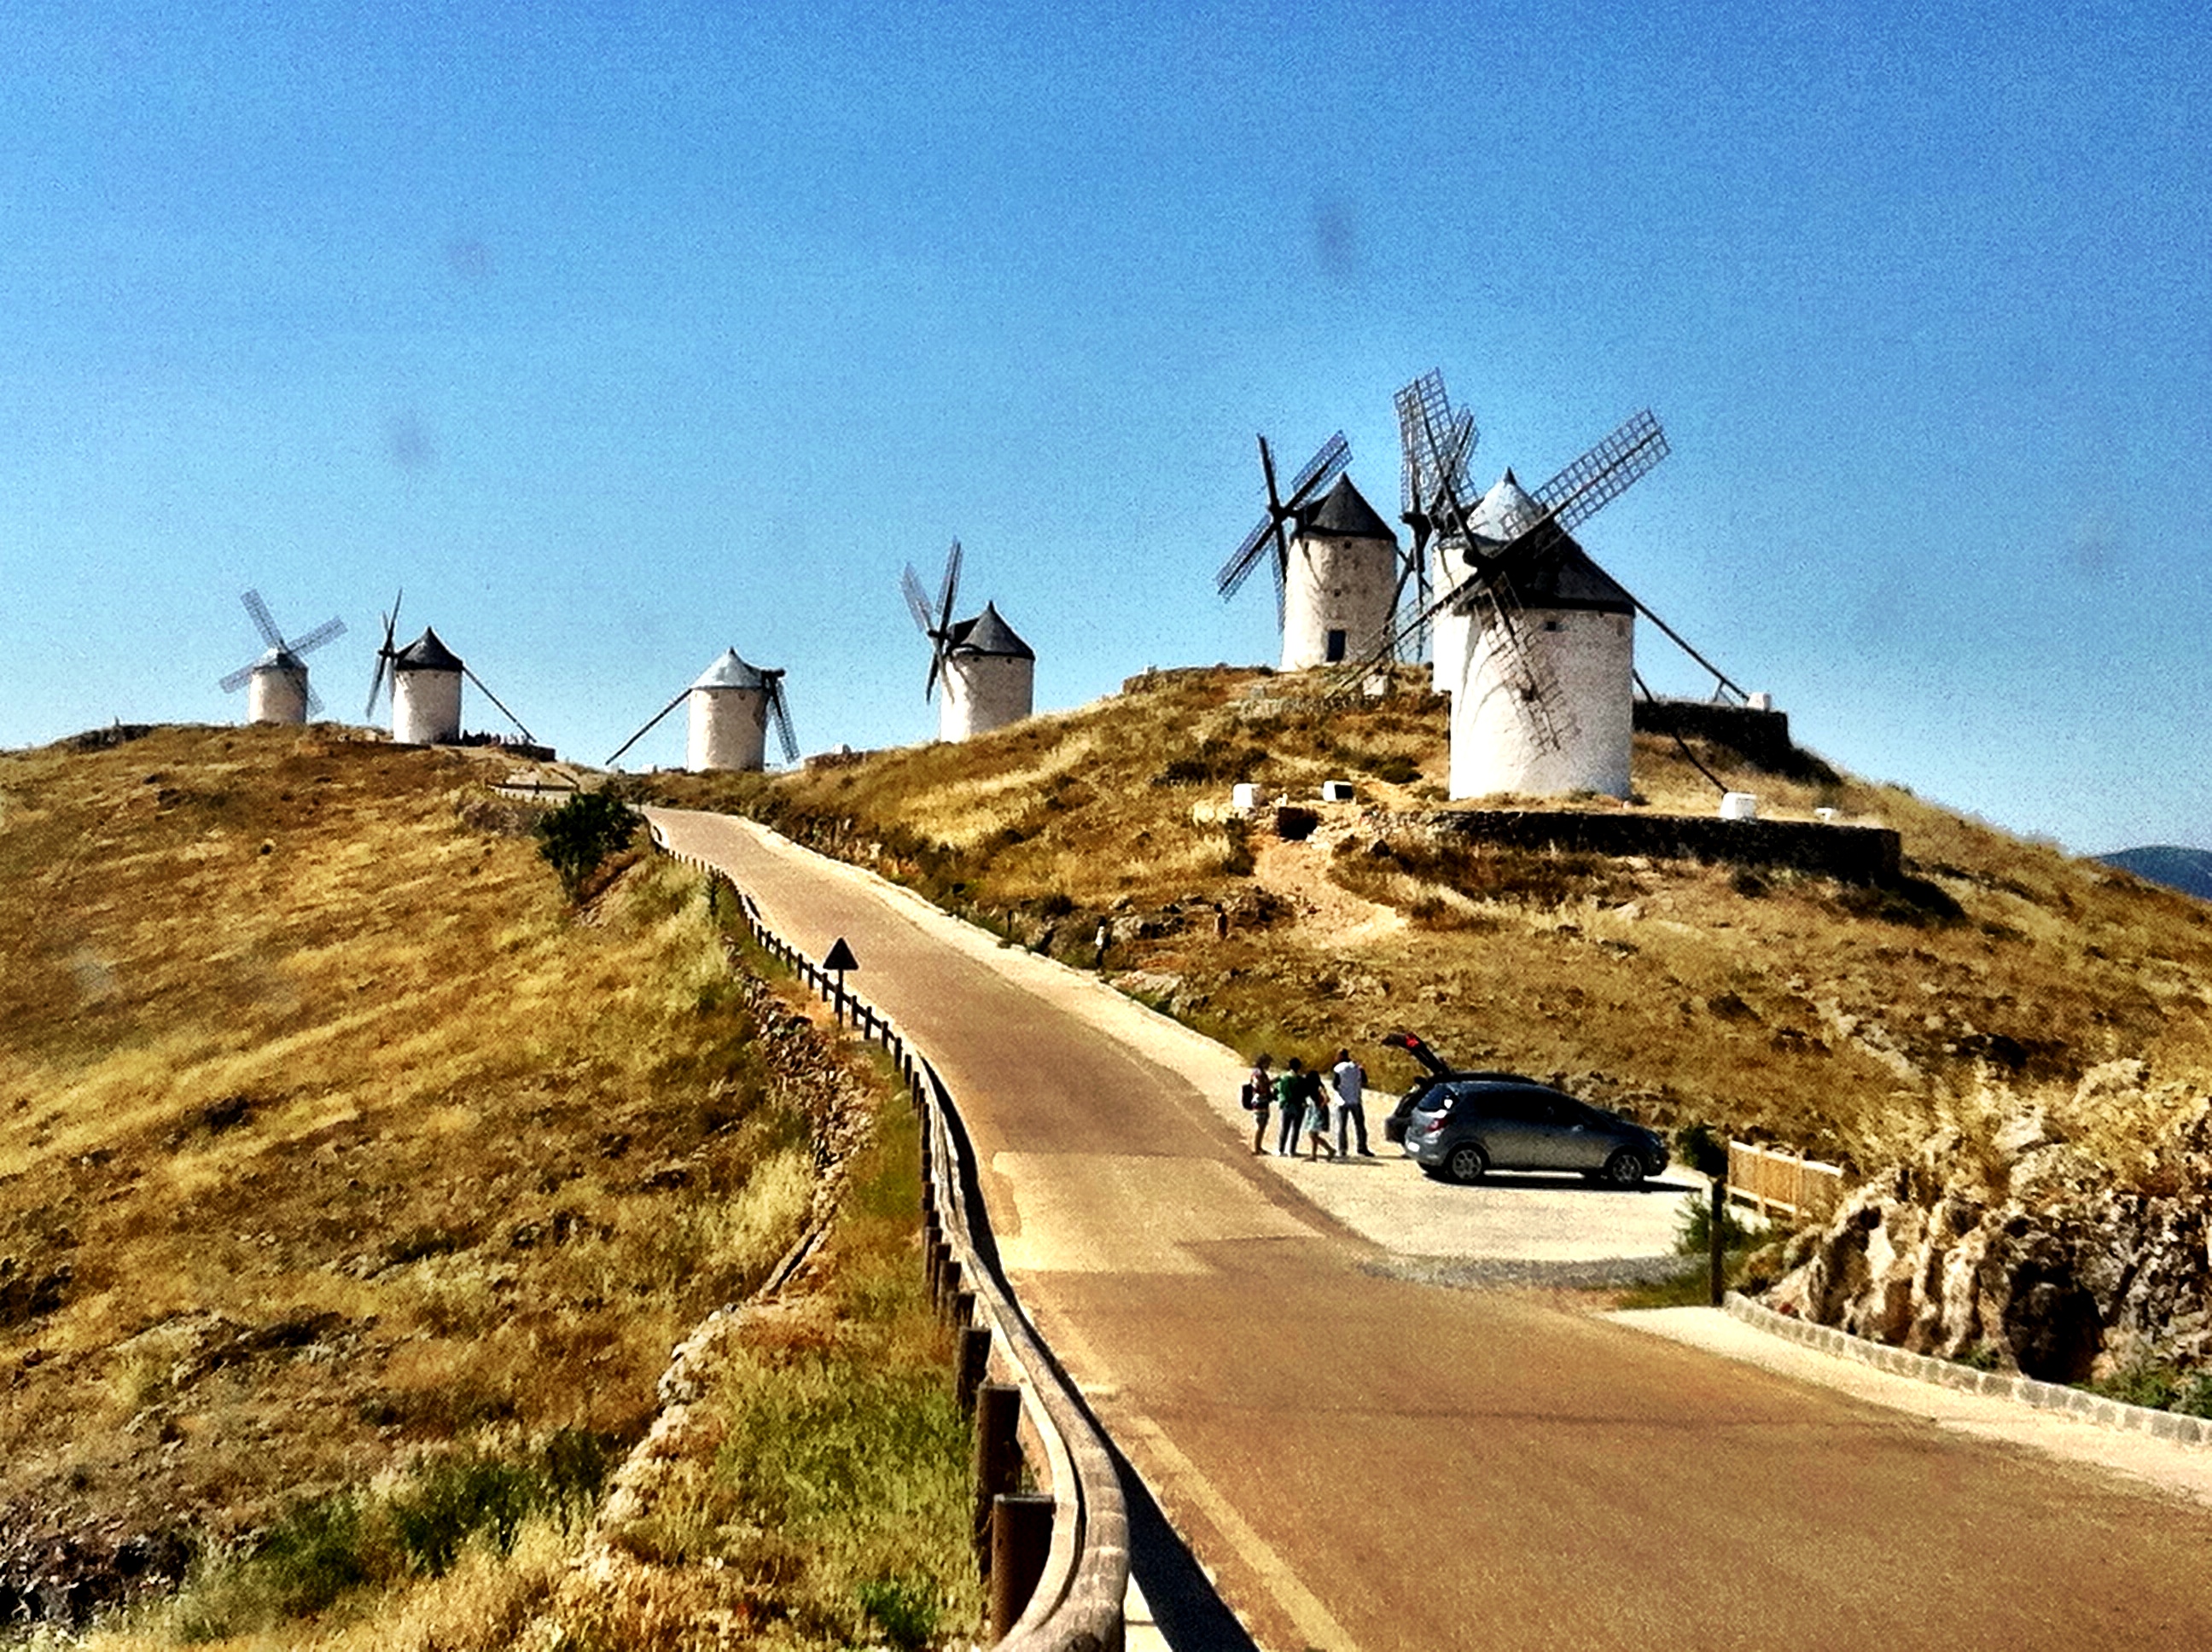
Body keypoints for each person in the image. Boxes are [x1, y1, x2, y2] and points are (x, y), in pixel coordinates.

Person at [1331, 1047, 1374, 1156]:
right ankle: (1362, 1147)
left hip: (1342, 1101)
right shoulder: (1357, 1067)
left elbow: (1335, 1085)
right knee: (1360, 1125)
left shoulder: (1338, 1068)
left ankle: (1342, 1149)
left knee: (1342, 1126)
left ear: (1341, 1056)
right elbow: (1364, 1081)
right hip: (1356, 1100)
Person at [1274, 1057, 1309, 1157]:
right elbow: (1305, 1092)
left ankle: (1281, 1149)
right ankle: (1292, 1150)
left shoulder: (1284, 1078)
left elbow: (1279, 1090)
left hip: (1287, 1105)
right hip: (1299, 1105)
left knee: (1285, 1128)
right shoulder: (1302, 1080)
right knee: (1296, 1129)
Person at [1303, 1061, 1336, 1160]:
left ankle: (1330, 1149)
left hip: (1318, 1112)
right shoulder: (1315, 1087)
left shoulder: (1319, 1088)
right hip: (1315, 1111)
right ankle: (1313, 1155)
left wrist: (1321, 1105)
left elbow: (1327, 1098)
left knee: (1312, 1134)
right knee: (1313, 1134)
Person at [1243, 1052, 1274, 1155]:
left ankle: (1259, 1147)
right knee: (1260, 1125)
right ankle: (1256, 1148)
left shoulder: (1257, 1072)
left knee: (1263, 1124)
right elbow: (1262, 1086)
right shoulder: (1259, 1073)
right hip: (1259, 1101)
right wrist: (1274, 1081)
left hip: (1262, 1100)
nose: (1269, 1065)